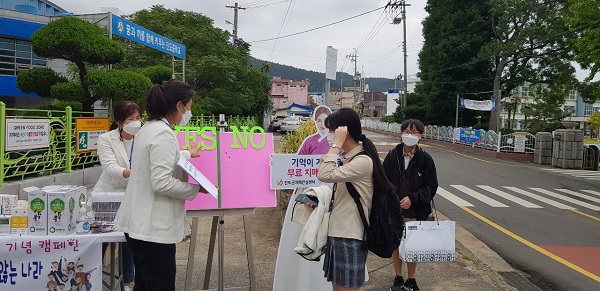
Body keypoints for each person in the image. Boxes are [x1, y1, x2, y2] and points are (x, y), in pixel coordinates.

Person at [114, 80, 209, 291]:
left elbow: (155, 161)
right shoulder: (164, 133)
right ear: (179, 106)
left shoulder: (150, 128)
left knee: (145, 284)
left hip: (138, 226)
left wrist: (185, 154)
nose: (189, 112)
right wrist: (197, 189)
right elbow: (161, 182)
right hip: (152, 230)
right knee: (160, 285)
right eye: (190, 106)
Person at [317, 108, 395, 291]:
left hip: (349, 235)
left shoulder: (362, 161)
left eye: (332, 130)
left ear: (344, 132)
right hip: (339, 232)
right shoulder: (350, 159)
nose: (329, 135)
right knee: (338, 288)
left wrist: (336, 145)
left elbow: (324, 174)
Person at [273, 105, 334, 291]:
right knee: (305, 228)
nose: (322, 124)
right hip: (309, 191)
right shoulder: (310, 141)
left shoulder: (336, 143)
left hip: (331, 191)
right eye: (318, 120)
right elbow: (296, 164)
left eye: (325, 121)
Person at [383, 119, 438, 291]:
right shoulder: (392, 156)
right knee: (396, 244)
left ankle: (411, 279)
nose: (410, 135)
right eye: (407, 131)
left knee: (413, 245)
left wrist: (413, 199)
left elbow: (431, 186)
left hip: (416, 210)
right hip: (395, 209)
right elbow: (384, 181)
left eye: (414, 132)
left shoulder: (425, 159)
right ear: (401, 134)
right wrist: (392, 200)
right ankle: (398, 277)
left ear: (420, 136)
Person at [92, 101, 141, 291]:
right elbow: (110, 167)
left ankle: (128, 282)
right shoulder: (106, 139)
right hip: (108, 196)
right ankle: (91, 278)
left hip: (132, 195)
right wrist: (136, 172)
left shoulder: (144, 137)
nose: (136, 122)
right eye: (131, 119)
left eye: (138, 118)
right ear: (120, 122)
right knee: (104, 239)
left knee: (129, 240)